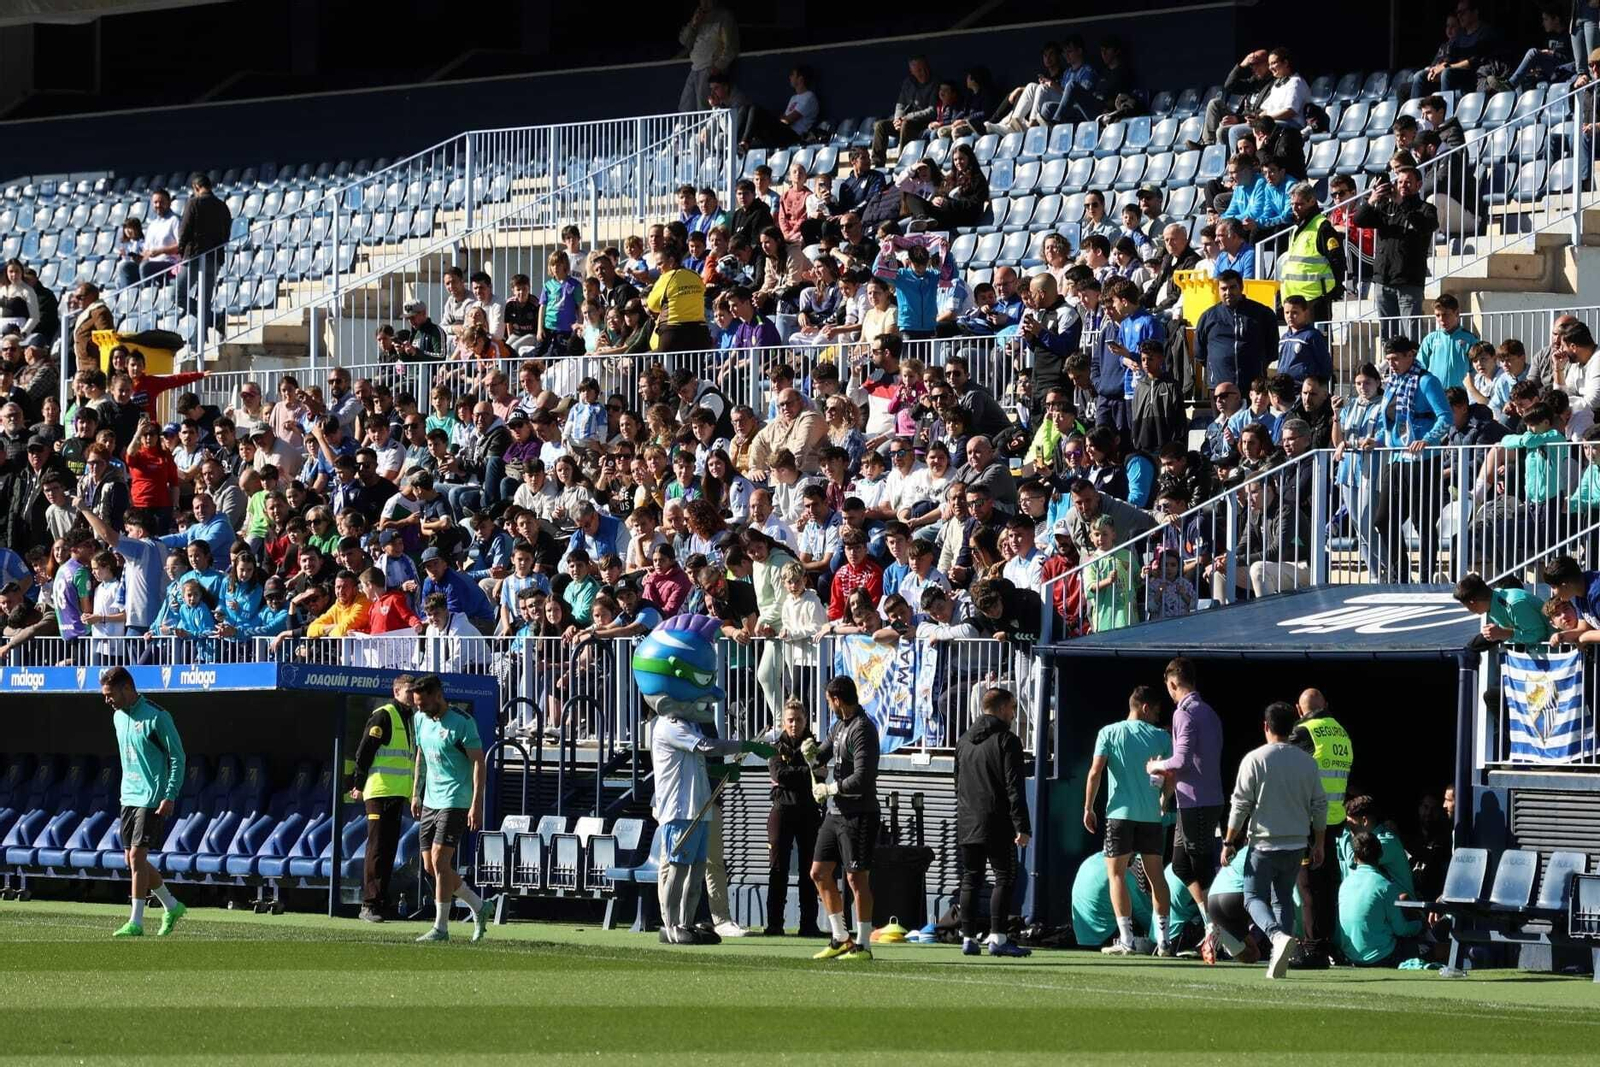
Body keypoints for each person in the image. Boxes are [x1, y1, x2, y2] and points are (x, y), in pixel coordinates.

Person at [1221, 700, 1328, 979]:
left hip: (1264, 844)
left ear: (1266, 727)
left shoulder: (1255, 759)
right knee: (1282, 899)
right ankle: (1279, 960)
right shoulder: (1307, 762)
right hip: (1296, 844)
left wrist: (1229, 841)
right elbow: (1320, 805)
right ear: (1293, 727)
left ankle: (1276, 937)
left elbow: (1240, 804)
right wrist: (1319, 842)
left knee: (1252, 897)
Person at [1084, 684, 1174, 957]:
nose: (1158, 717)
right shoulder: (1161, 737)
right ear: (1145, 708)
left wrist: (1088, 807)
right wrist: (1163, 800)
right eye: (1156, 711)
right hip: (1150, 817)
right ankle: (1165, 942)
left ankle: (1127, 940)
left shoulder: (1108, 732)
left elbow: (1095, 772)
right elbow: (1171, 776)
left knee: (1116, 875)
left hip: (1119, 816)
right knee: (1157, 876)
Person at [1145, 657, 1225, 954]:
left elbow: (1180, 760)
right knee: (1180, 864)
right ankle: (1210, 922)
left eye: (1169, 687)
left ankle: (1217, 925)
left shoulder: (1185, 713)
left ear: (1173, 684)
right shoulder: (1209, 712)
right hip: (1195, 800)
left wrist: (1156, 766)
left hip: (1198, 802)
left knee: (1201, 866)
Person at [101, 666, 189, 937]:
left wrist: (170, 794)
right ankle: (172, 906)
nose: (107, 700)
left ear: (126, 688)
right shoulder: (117, 717)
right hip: (127, 796)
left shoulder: (157, 716)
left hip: (151, 797)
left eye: (110, 694)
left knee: (138, 857)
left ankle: (136, 922)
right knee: (131, 860)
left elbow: (178, 757)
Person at [409, 674, 494, 943]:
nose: (419, 708)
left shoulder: (462, 723)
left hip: (456, 800)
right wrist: (416, 792)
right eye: (416, 704)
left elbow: (479, 763)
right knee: (431, 867)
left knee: (440, 861)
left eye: (422, 703)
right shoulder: (420, 719)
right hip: (430, 801)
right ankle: (480, 907)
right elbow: (421, 755)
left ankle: (441, 928)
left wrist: (476, 804)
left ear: (438, 696)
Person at [804, 675, 880, 961]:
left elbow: (863, 777)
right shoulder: (839, 726)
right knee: (818, 873)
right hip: (834, 814)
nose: (829, 706)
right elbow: (819, 759)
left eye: (829, 701)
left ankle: (864, 945)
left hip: (859, 814)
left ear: (837, 699)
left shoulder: (863, 729)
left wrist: (830, 788)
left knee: (856, 879)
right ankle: (840, 938)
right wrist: (808, 754)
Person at [955, 687, 1032, 958]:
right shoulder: (1007, 740)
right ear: (1001, 709)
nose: (1013, 713)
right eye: (1012, 708)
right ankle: (998, 938)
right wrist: (1022, 825)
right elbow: (1014, 786)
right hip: (997, 820)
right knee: (1005, 876)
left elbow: (958, 784)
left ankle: (968, 938)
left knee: (971, 878)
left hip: (967, 820)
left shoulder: (963, 741)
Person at [346, 674, 416, 923]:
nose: (412, 695)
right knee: (376, 848)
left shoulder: (411, 719)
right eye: (408, 690)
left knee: (388, 849)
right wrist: (358, 783)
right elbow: (364, 751)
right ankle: (369, 904)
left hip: (397, 793)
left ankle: (382, 902)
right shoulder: (384, 715)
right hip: (378, 791)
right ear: (396, 691)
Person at [765, 699, 824, 938]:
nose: (794, 724)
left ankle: (808, 924)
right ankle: (775, 924)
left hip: (808, 811)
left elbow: (820, 774)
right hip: (782, 810)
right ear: (783, 722)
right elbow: (780, 773)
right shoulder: (776, 746)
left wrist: (801, 774)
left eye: (798, 720)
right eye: (790, 720)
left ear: (805, 721)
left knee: (810, 870)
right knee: (777, 869)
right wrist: (807, 772)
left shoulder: (814, 745)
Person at [1352, 166, 1438, 318]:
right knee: (1387, 336)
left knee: (1410, 334)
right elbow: (1359, 220)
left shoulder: (1426, 208)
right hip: (1383, 280)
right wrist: (1372, 200)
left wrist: (1400, 202)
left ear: (1418, 185)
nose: (1403, 186)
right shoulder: (1386, 207)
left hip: (1409, 281)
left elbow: (1425, 226)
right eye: (1400, 182)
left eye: (1408, 182)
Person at [1337, 831, 1425, 966]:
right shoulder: (1386, 886)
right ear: (1381, 854)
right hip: (1382, 956)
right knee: (1430, 948)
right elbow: (1401, 929)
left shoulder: (1345, 884)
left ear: (1354, 857)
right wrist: (1420, 925)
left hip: (1350, 956)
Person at [871, 55, 940, 168]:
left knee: (906, 124)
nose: (923, 72)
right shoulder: (908, 83)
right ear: (912, 72)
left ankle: (902, 161)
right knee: (880, 125)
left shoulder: (935, 82)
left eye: (924, 68)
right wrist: (897, 119)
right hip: (904, 122)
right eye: (918, 70)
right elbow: (900, 104)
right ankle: (877, 163)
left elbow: (932, 111)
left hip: (923, 124)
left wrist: (907, 118)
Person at [676, 0, 739, 114]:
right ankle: (684, 130)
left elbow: (731, 48)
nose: (704, 3)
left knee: (704, 107)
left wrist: (718, 67)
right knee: (685, 105)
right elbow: (684, 41)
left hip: (710, 68)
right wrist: (693, 24)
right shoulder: (699, 16)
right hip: (695, 67)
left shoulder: (724, 16)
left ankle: (706, 131)